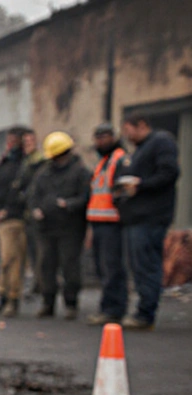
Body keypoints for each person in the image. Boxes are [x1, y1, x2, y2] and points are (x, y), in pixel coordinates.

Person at [117, 112, 182, 330]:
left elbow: (169, 173)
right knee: (139, 265)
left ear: (141, 125)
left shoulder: (161, 142)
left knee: (147, 265)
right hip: (136, 217)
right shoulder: (140, 150)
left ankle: (145, 314)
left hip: (150, 217)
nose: (127, 135)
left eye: (128, 130)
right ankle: (143, 311)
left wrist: (140, 185)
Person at [27, 131, 91, 319]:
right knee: (46, 265)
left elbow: (86, 198)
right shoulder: (43, 173)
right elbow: (33, 195)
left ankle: (71, 303)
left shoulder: (80, 172)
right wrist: (35, 210)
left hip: (70, 228)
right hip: (46, 228)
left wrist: (69, 205)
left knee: (70, 265)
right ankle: (48, 302)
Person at [85, 123, 130, 326]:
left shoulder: (120, 159)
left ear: (113, 137)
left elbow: (122, 192)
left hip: (113, 222)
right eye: (98, 138)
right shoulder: (103, 161)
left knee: (112, 268)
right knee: (103, 269)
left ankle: (113, 310)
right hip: (99, 222)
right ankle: (108, 307)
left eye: (104, 137)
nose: (101, 141)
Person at [0, 127, 29, 316]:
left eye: (14, 140)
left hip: (15, 217)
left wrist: (9, 210)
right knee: (3, 260)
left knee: (12, 260)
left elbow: (21, 191)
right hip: (2, 217)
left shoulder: (23, 163)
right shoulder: (5, 161)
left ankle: (12, 297)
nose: (10, 143)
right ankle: (3, 294)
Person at [15, 130, 46, 298]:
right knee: (32, 252)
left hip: (36, 212)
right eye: (25, 141)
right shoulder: (25, 162)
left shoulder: (39, 162)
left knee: (39, 251)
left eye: (30, 141)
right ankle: (37, 282)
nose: (28, 144)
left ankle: (40, 282)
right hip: (27, 212)